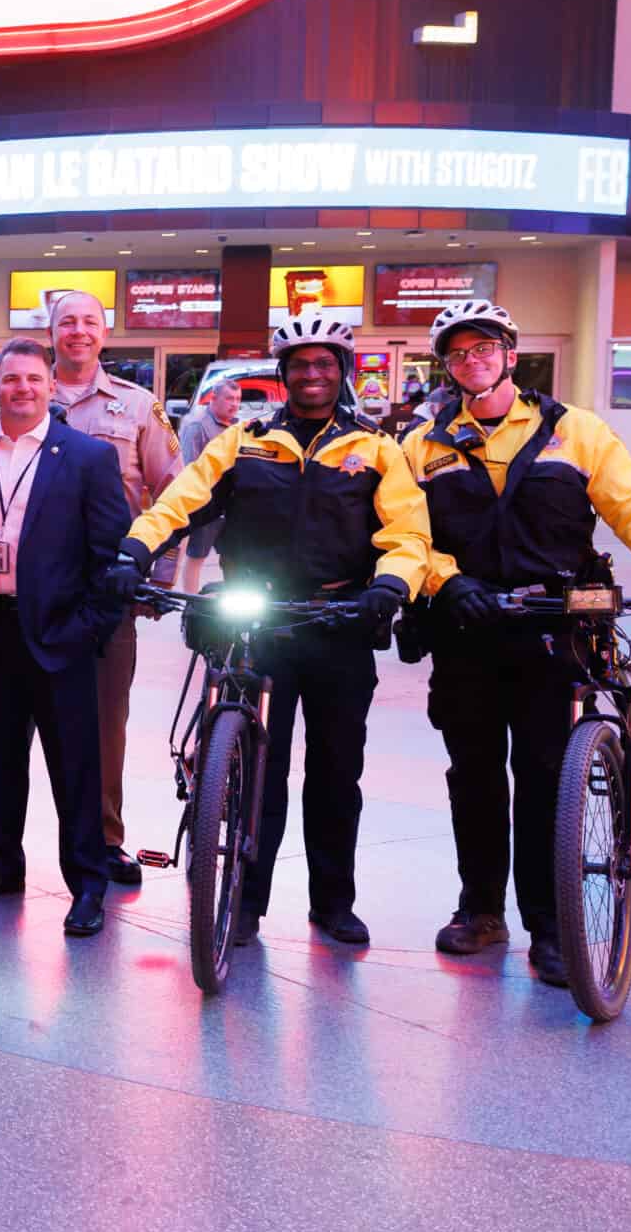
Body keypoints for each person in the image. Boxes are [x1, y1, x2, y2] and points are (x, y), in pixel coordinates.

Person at [398, 299, 631, 987]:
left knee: (547, 777)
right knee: (473, 777)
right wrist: (446, 580)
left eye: (484, 349)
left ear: (509, 354)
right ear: (447, 366)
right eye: (459, 354)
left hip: (554, 633)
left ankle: (552, 929)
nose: (473, 362)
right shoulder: (422, 445)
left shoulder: (574, 431)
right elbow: (409, 534)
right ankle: (481, 911)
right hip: (466, 630)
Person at [117, 314, 429, 948]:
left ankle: (333, 902)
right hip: (258, 621)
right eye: (300, 365)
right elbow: (180, 500)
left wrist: (392, 584)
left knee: (337, 774)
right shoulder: (245, 440)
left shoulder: (375, 449)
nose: (312, 375)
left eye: (324, 364)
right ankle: (246, 902)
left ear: (341, 372)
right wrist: (134, 550)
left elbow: (408, 533)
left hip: (339, 622)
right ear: (282, 375)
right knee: (256, 768)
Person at [0, 290, 178, 886]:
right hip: (6, 613)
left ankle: (99, 846)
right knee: (1, 738)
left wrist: (154, 580)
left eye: (89, 322)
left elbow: (173, 494)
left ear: (105, 333)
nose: (78, 332)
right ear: (50, 335)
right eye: (66, 323)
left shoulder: (135, 407)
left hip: (92, 602)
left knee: (93, 734)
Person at [0, 340, 131, 935]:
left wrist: (88, 629)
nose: (21, 389)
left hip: (62, 636)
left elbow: (110, 558)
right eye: (10, 379)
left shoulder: (87, 457)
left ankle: (86, 884)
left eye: (32, 379)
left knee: (75, 768)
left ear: (51, 387)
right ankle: (2, 864)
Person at [174, 378, 242, 593]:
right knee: (197, 557)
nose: (234, 404)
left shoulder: (237, 426)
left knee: (233, 556)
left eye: (238, 399)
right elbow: (188, 468)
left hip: (232, 506)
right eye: (229, 398)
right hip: (206, 505)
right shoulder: (197, 426)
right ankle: (192, 608)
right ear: (213, 399)